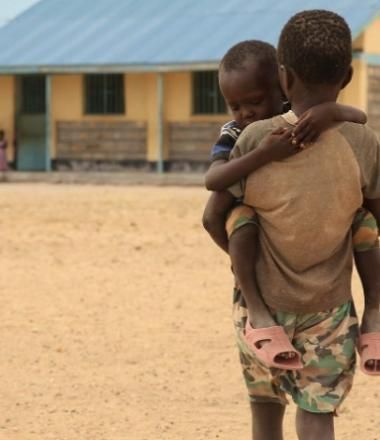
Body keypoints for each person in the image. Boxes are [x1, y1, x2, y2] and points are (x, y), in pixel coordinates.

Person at [203, 11, 380, 440]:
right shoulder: (363, 142)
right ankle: (377, 311)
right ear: (350, 73)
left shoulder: (255, 139)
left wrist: (241, 263)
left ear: (284, 78)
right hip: (330, 307)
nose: (243, 113)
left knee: (265, 407)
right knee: (317, 411)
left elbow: (212, 213)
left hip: (262, 301)